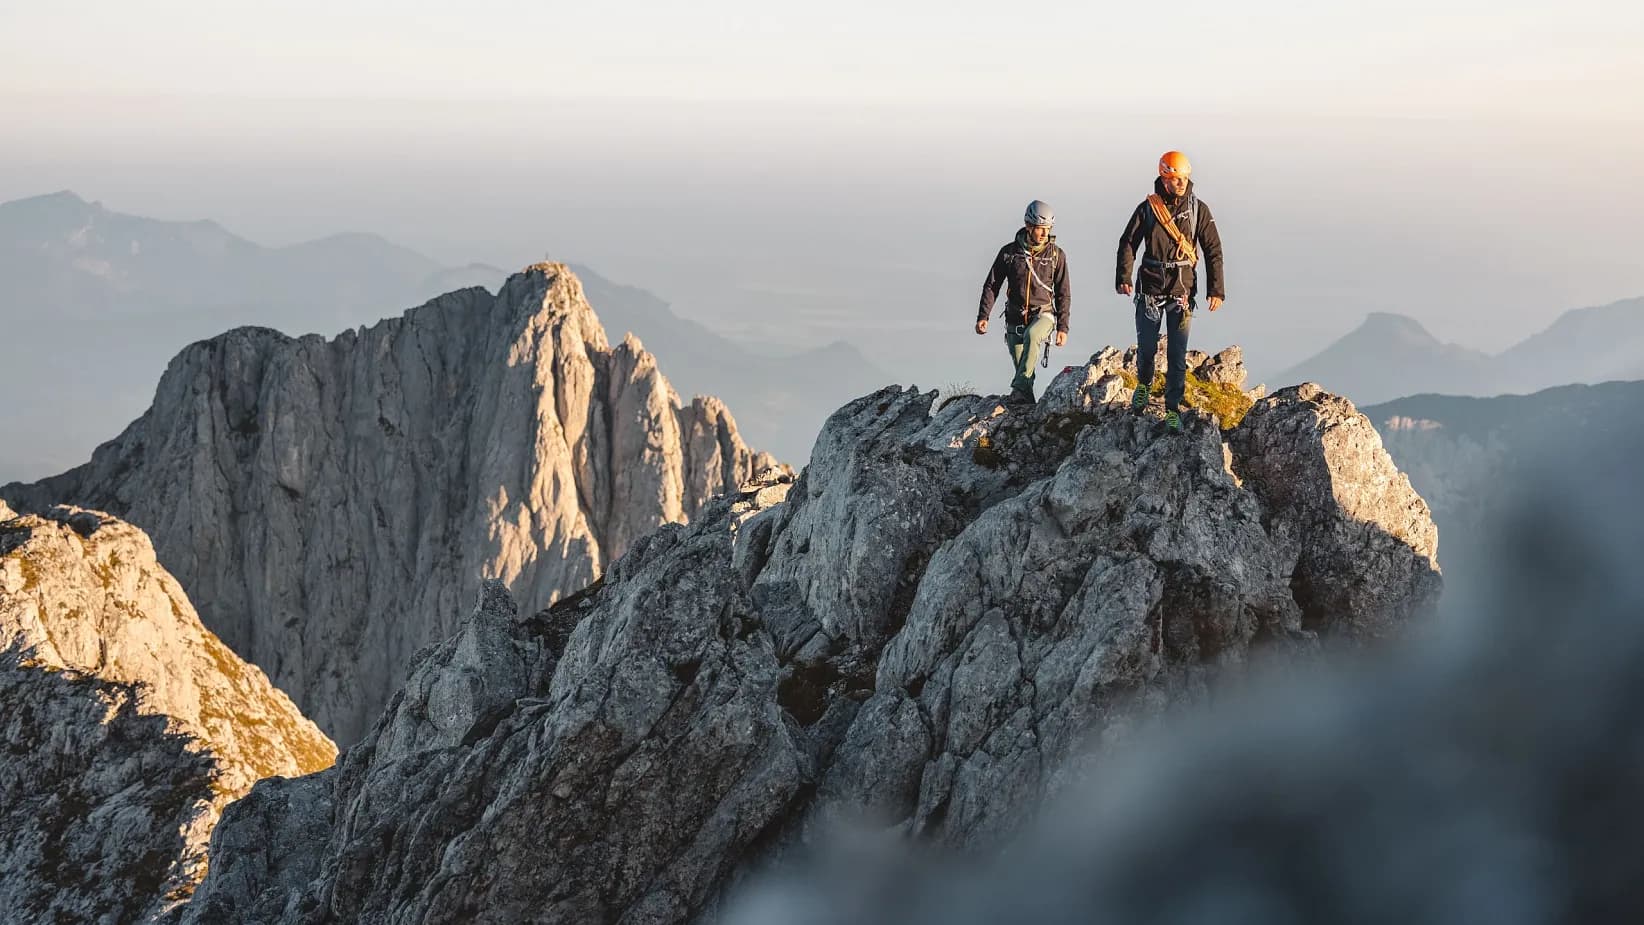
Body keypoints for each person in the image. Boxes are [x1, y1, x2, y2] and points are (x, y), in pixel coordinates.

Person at [1115, 151, 1225, 431]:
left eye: (1184, 178)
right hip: (1149, 289)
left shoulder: (1198, 210)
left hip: (1181, 290)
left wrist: (1216, 290)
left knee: (1177, 354)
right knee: (1147, 348)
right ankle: (1144, 384)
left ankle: (1172, 408)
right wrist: (1124, 277)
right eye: (1176, 179)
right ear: (1164, 178)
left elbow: (1213, 249)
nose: (1182, 183)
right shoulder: (1148, 209)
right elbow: (1128, 242)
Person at [976, 200, 1071, 404]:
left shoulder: (1056, 255)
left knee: (1033, 335)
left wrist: (1063, 327)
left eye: (1048, 228)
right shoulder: (1009, 253)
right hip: (1015, 318)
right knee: (1024, 371)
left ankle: (1018, 390)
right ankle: (1027, 407)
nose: (1044, 233)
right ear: (1028, 226)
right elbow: (992, 285)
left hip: (1043, 314)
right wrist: (983, 316)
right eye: (1040, 228)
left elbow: (1063, 293)